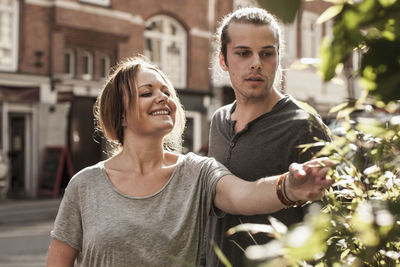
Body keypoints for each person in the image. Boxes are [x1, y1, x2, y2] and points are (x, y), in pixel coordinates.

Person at [46, 55, 333, 267]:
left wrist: (289, 188)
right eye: (147, 93)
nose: (162, 98)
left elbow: (244, 194)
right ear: (120, 115)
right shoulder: (85, 185)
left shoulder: (197, 172)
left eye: (165, 91)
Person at [203, 7, 332, 267]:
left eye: (266, 53)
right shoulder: (218, 121)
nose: (256, 63)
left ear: (278, 59)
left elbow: (330, 227)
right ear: (223, 60)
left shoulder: (304, 126)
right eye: (243, 53)